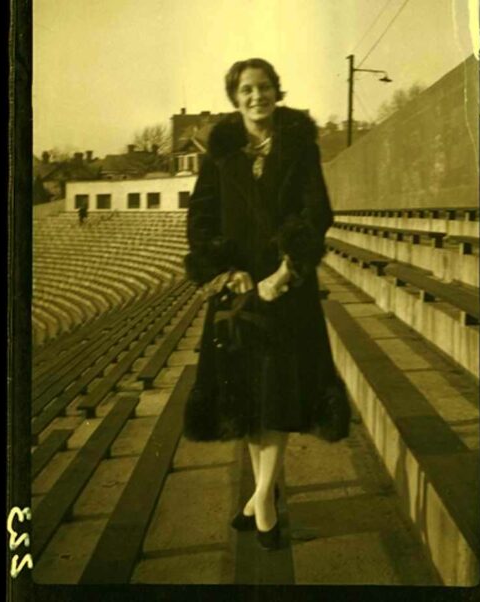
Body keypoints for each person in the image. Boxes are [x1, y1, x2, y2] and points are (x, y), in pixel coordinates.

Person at [182, 58, 351, 550]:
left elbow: (316, 210)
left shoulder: (299, 144)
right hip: (236, 291)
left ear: (278, 92)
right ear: (235, 98)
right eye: (247, 89)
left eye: (265, 88)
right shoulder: (220, 152)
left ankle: (265, 504)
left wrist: (287, 271)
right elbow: (201, 217)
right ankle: (260, 497)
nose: (257, 96)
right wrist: (225, 272)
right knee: (248, 398)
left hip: (285, 288)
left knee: (275, 392)